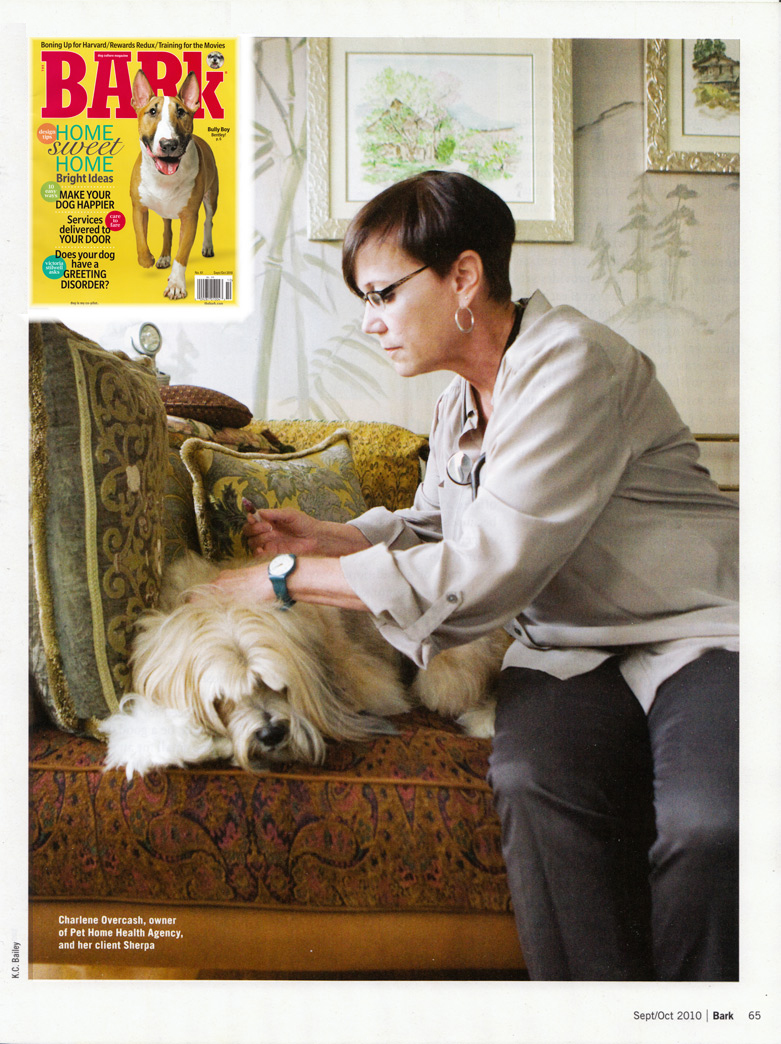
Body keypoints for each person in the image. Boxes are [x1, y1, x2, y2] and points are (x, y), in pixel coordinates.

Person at [211, 170, 739, 981]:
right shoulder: (461, 398)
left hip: (699, 634)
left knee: (712, 825)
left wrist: (284, 577)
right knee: (530, 783)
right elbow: (438, 519)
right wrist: (334, 536)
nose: (369, 321)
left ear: (462, 276)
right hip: (562, 647)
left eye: (382, 294)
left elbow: (488, 564)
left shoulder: (573, 364)